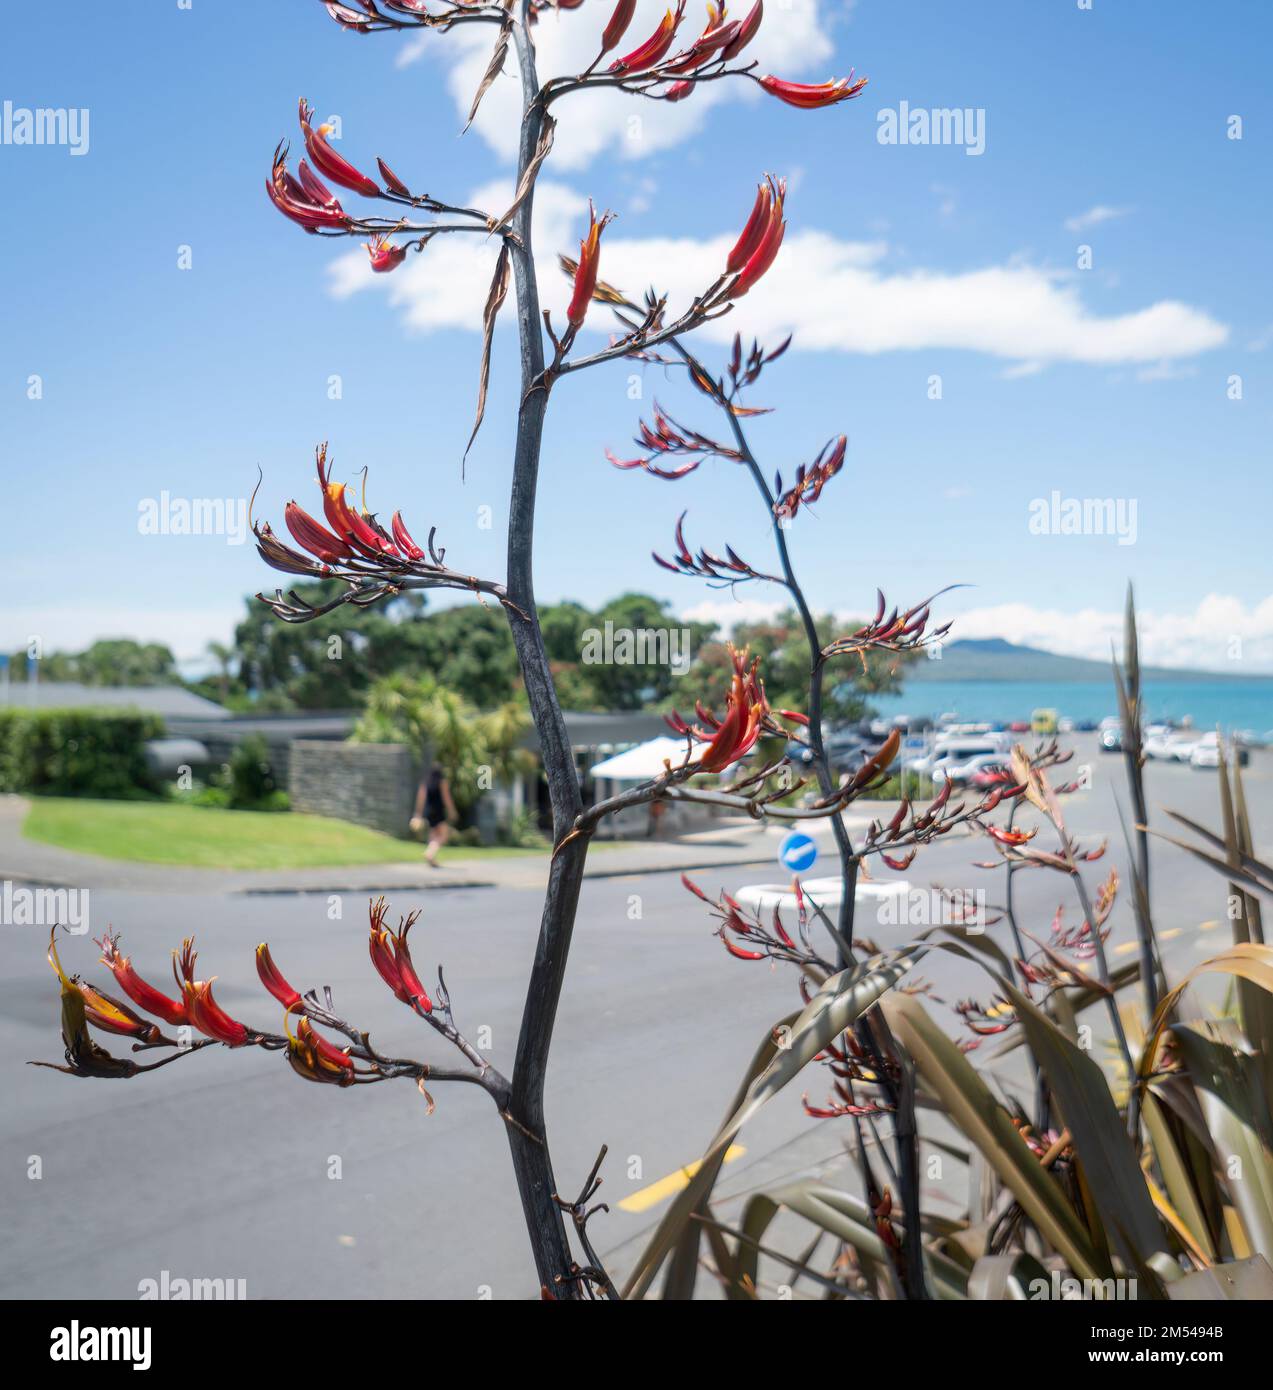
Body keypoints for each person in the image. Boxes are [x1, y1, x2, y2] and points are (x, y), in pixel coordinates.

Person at [410, 765, 457, 868]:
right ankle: (430, 853)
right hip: (438, 811)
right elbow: (446, 798)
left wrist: (418, 813)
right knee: (443, 835)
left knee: (433, 834)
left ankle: (432, 858)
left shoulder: (425, 782)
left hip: (428, 812)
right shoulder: (442, 782)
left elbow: (420, 798)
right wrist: (451, 811)